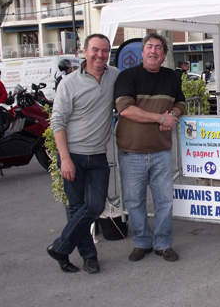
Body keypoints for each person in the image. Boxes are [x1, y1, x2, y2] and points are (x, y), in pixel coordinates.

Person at [47, 34, 120, 274]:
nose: (100, 55)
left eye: (105, 51)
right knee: (78, 206)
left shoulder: (115, 76)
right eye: (95, 50)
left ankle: (60, 247)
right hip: (73, 155)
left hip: (98, 156)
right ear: (84, 51)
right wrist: (65, 158)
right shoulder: (69, 82)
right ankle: (89, 256)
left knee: (94, 206)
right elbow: (57, 122)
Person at [114, 32, 185, 263]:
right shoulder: (127, 76)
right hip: (131, 151)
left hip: (161, 151)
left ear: (164, 55)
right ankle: (141, 242)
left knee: (164, 200)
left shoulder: (171, 77)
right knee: (134, 201)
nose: (153, 51)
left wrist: (173, 114)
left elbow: (180, 102)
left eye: (158, 48)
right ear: (142, 51)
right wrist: (160, 119)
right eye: (149, 47)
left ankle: (163, 243)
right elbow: (126, 109)